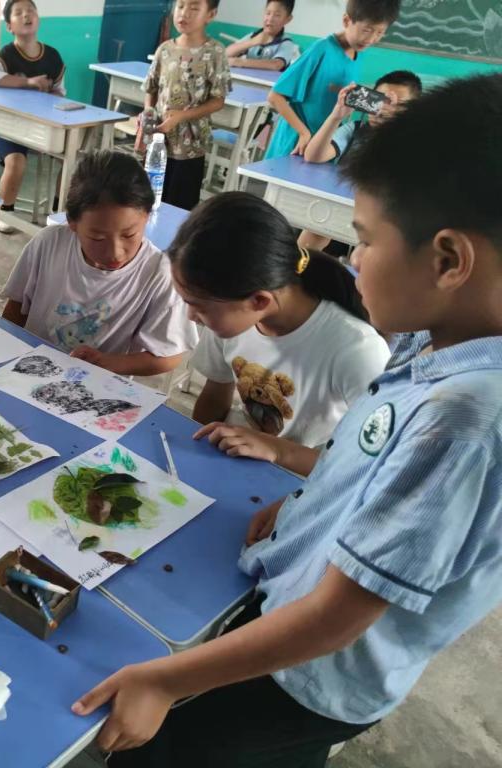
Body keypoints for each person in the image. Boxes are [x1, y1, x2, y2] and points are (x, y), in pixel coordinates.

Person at [71, 73, 502, 768]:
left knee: (176, 748)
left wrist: (163, 682)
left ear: (448, 259)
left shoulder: (465, 419)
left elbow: (334, 620)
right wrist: (308, 507)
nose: (351, 262)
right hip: (287, 595)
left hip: (311, 676)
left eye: (364, 241)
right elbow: (365, 463)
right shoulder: (433, 343)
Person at [173, 192, 388, 476]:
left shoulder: (356, 349)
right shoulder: (229, 316)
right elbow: (213, 398)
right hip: (241, 461)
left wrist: (277, 450)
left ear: (259, 301)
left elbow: (374, 462)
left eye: (198, 307)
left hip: (309, 479)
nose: (191, 316)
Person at [2, 150, 198, 377]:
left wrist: (108, 363)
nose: (115, 253)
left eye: (129, 235)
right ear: (72, 222)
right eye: (97, 238)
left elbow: (169, 356)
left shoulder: (158, 273)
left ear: (146, 216)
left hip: (97, 384)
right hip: (29, 372)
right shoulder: (49, 243)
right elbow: (16, 309)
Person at [299, 69, 422, 255]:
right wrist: (336, 116)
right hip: (340, 210)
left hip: (384, 223)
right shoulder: (355, 130)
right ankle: (294, 271)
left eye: (398, 105)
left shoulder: (416, 144)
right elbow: (313, 156)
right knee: (315, 230)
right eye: (380, 100)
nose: (386, 109)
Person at [265, 0, 400, 159]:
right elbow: (275, 96)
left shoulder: (359, 53)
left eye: (379, 32)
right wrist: (303, 132)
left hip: (323, 145)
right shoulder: (322, 49)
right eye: (366, 30)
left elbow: (337, 92)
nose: (371, 39)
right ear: (346, 21)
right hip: (297, 142)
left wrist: (382, 103)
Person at [0, 0, 66, 234]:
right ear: (9, 26)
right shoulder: (7, 54)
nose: (26, 16)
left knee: (72, 159)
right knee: (16, 162)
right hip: (10, 124)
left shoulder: (52, 56)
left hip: (42, 124)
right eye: (19, 13)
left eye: (31, 11)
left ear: (38, 19)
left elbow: (60, 90)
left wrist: (52, 96)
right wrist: (28, 82)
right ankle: (6, 211)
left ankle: (58, 210)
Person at [138, 0, 230, 211]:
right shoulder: (165, 49)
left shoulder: (215, 51)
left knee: (179, 204)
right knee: (149, 199)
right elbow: (151, 88)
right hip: (159, 141)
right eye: (180, 6)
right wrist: (148, 112)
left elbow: (218, 100)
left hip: (190, 146)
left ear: (211, 14)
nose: (184, 13)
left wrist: (182, 116)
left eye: (194, 8)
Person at [225, 0, 301, 72]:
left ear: (288, 19)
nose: (270, 19)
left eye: (277, 15)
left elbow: (276, 65)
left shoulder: (286, 42)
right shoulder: (254, 36)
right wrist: (253, 42)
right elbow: (226, 53)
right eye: (268, 13)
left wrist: (241, 62)